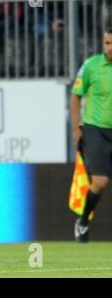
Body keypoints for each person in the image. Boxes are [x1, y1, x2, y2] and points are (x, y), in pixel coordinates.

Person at [70, 28, 112, 243]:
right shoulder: (91, 66)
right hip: (95, 129)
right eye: (107, 43)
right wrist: (76, 129)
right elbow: (76, 96)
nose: (109, 48)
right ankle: (83, 221)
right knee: (100, 182)